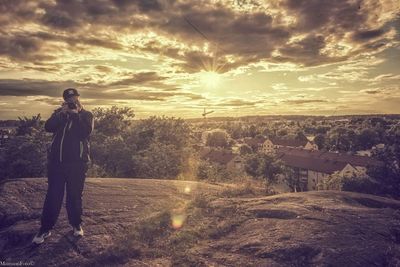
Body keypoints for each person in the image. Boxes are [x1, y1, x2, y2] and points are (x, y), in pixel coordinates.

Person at [32, 88, 94, 244]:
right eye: (69, 100)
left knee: (74, 195)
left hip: (77, 164)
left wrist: (76, 115)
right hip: (56, 163)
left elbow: (85, 133)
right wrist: (62, 114)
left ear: (79, 99)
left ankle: (76, 224)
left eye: (74, 99)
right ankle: (45, 229)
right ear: (65, 101)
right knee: (53, 196)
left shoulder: (87, 115)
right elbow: (48, 127)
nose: (72, 102)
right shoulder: (59, 114)